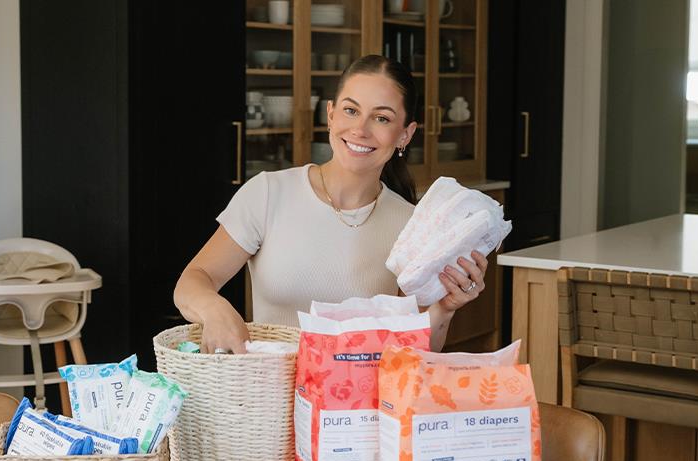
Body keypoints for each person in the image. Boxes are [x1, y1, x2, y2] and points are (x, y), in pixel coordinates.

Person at [174, 55, 487, 354]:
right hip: (269, 386)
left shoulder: (413, 227)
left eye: (381, 118)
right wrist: (215, 309)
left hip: (360, 392)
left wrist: (445, 308)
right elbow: (192, 281)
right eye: (351, 110)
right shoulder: (268, 193)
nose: (360, 129)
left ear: (405, 134)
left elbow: (414, 348)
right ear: (330, 114)